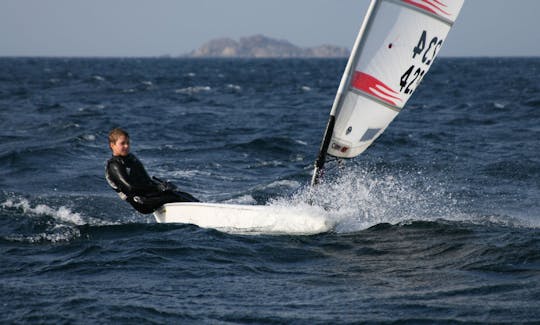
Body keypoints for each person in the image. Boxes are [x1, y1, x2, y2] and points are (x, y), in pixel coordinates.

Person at [105, 127, 199, 214]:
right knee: (175, 197)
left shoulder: (131, 158)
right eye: (122, 143)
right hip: (141, 202)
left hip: (148, 194)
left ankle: (203, 207)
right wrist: (158, 188)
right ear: (112, 145)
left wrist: (162, 185)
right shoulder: (114, 165)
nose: (126, 146)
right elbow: (130, 188)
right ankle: (197, 213)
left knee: (180, 194)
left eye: (128, 143)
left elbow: (146, 181)